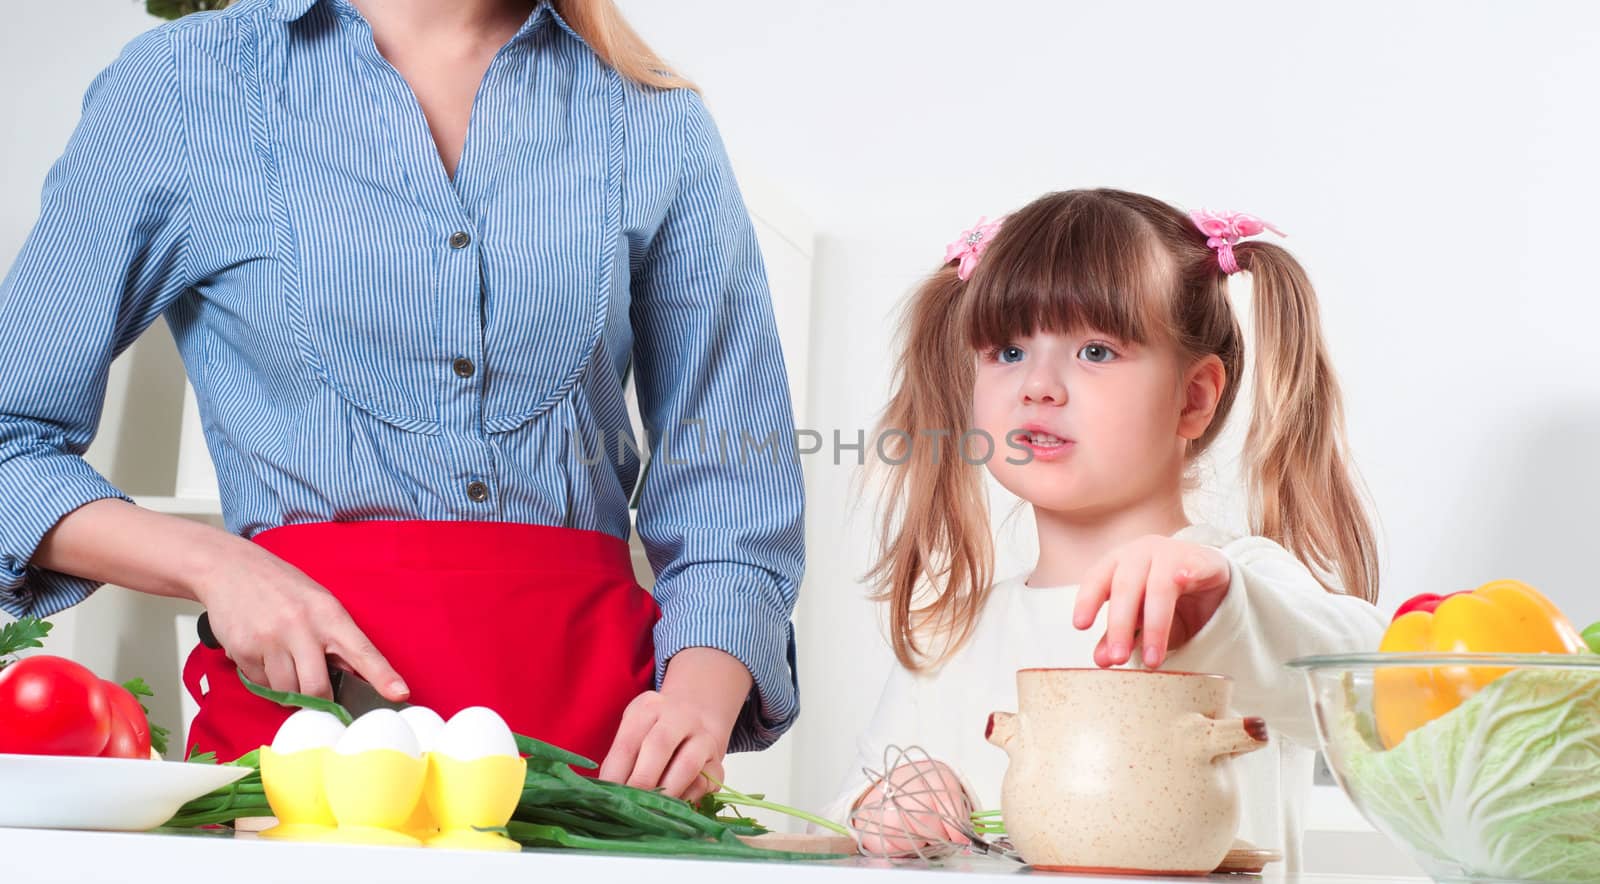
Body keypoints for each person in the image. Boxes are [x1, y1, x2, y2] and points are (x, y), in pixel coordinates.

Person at [0, 0, 803, 801]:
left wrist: (698, 696)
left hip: (599, 769)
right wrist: (217, 565)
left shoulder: (651, 116)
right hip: (306, 750)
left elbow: (731, 472)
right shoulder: (184, 86)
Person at [826, 188, 1385, 852]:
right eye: (1007, 352)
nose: (1038, 384)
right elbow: (852, 808)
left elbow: (1382, 685)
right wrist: (878, 809)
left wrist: (1226, 611)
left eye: (1095, 351)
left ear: (1194, 398)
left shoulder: (1236, 587)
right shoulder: (955, 634)